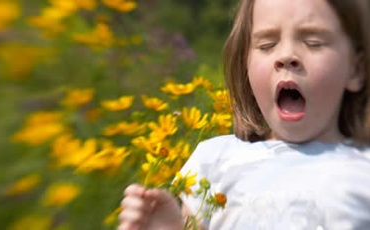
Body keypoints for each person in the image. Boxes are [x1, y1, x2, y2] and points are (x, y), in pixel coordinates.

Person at [118, 0, 370, 229]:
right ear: (245, 65)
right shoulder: (215, 160)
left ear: (356, 69)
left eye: (313, 42)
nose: (285, 56)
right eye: (267, 45)